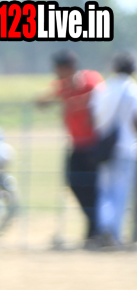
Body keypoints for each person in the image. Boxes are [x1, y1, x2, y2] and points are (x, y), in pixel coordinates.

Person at [36, 51, 103, 245]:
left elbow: (101, 96)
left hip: (94, 145)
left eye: (57, 68)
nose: (55, 72)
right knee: (75, 183)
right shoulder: (63, 86)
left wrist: (72, 103)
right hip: (76, 145)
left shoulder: (91, 79)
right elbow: (42, 100)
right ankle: (93, 225)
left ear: (67, 68)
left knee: (94, 187)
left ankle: (95, 229)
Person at [89, 53, 137, 247]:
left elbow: (93, 116)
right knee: (120, 192)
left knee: (105, 191)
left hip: (105, 148)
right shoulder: (132, 89)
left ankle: (104, 229)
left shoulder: (103, 88)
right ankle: (114, 234)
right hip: (126, 147)